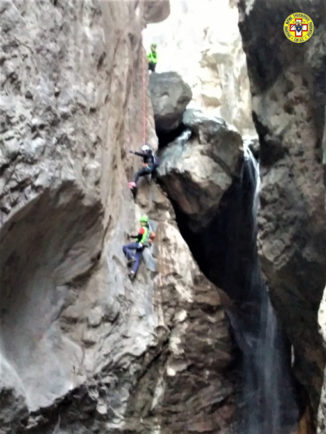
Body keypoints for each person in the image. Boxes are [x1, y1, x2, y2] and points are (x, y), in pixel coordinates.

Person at [122, 215, 151, 280]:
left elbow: (139, 236)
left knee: (125, 247)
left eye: (141, 222)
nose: (140, 223)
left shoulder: (143, 228)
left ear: (144, 222)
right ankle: (132, 272)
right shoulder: (148, 230)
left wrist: (131, 236)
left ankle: (131, 258)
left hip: (139, 244)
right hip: (143, 246)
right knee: (137, 259)